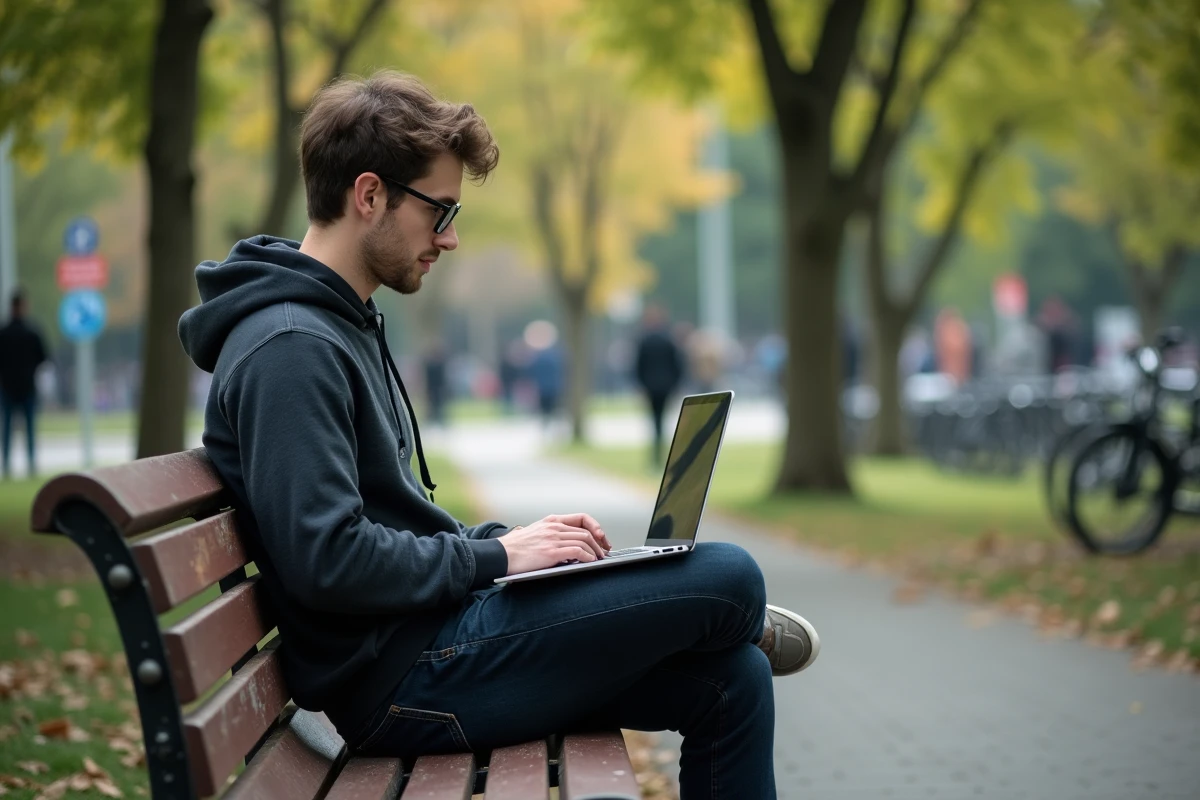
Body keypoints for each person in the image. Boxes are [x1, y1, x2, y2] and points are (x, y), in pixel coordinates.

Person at [177, 71, 819, 800]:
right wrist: (496, 556)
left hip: (436, 639)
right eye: (439, 211)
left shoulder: (334, 324)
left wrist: (518, 545)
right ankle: (716, 617)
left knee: (734, 678)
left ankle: (714, 625)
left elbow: (389, 520)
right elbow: (328, 560)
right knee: (729, 576)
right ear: (368, 195)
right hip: (405, 683)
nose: (448, 238)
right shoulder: (289, 348)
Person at [0, 290, 48, 479]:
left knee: (8, 427)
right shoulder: (32, 332)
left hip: (7, 387)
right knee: (29, 428)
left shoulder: (3, 334)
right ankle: (31, 464)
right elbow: (43, 358)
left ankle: (6, 466)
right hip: (27, 386)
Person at [633, 304, 684, 464]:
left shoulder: (644, 340)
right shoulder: (669, 340)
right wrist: (676, 384)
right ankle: (660, 453)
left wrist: (641, 385)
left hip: (651, 387)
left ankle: (656, 455)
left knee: (655, 420)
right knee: (661, 420)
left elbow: (638, 366)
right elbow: (678, 365)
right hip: (665, 386)